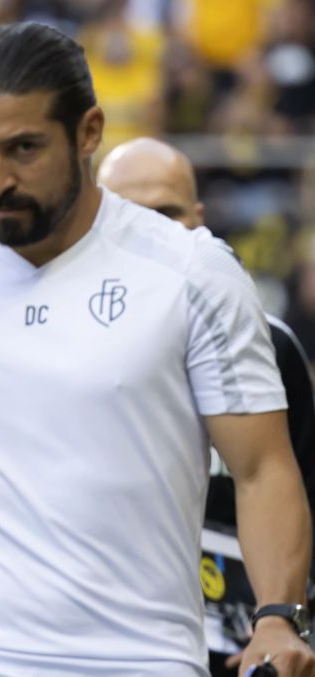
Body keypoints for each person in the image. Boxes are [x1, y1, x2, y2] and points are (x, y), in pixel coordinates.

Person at [0, 21, 315, 677]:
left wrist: (278, 616)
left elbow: (263, 469)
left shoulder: (193, 273)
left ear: (89, 131)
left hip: (140, 662)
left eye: (23, 148)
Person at [97, 135, 315, 674]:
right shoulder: (55, 350)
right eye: (127, 214)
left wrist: (283, 621)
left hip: (244, 645)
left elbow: (300, 493)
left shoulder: (270, 345)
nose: (149, 231)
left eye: (166, 213)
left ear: (198, 220)